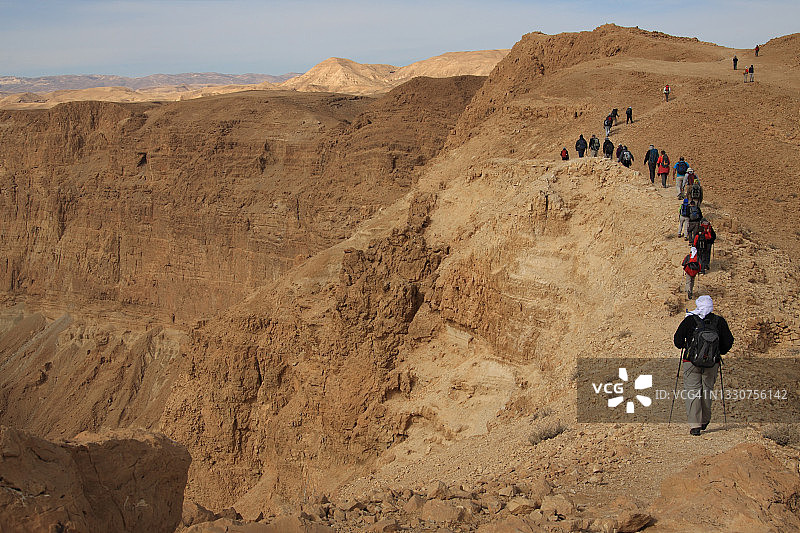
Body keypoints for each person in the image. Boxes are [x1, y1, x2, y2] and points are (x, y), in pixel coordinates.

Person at [673, 295, 734, 435]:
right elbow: (728, 342)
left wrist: (686, 346)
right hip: (712, 363)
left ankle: (695, 425)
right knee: (707, 390)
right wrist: (718, 352)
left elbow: (677, 341)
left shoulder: (689, 320)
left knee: (692, 392)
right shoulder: (719, 321)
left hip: (691, 362)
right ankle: (705, 420)